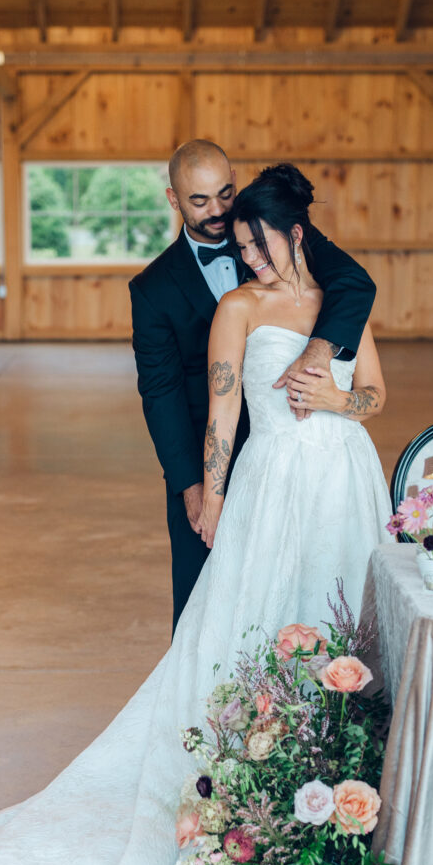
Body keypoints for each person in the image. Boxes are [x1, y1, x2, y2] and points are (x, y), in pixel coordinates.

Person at [0, 163, 392, 865]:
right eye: (241, 245)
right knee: (255, 627)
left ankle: (338, 773)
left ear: (294, 234)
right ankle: (260, 774)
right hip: (270, 490)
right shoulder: (235, 308)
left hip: (345, 481)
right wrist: (213, 502)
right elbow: (219, 414)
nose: (252, 260)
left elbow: (373, 391)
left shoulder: (341, 297)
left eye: (261, 245)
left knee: (343, 621)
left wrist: (338, 403)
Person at [130, 139, 376, 632]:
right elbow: (161, 394)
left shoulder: (268, 233)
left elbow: (355, 284)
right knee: (209, 608)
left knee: (322, 587)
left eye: (225, 192)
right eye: (200, 201)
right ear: (174, 200)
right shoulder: (153, 289)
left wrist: (318, 353)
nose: (219, 210)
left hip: (312, 460)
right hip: (211, 455)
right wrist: (194, 486)